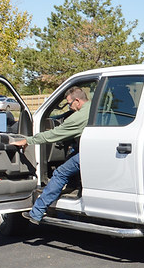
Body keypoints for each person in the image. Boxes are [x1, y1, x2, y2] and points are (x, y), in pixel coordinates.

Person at [11, 86, 91, 223]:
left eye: (69, 103)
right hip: (95, 149)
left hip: (89, 152)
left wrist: (28, 140)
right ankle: (73, 185)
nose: (69, 107)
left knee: (60, 173)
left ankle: (37, 212)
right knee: (72, 150)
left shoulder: (79, 117)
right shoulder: (95, 108)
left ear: (77, 101)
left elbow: (53, 134)